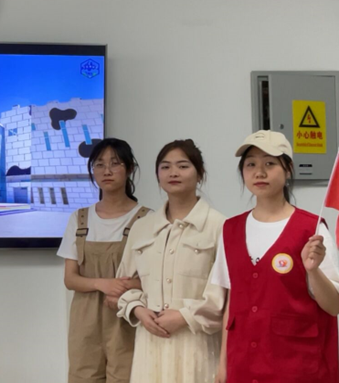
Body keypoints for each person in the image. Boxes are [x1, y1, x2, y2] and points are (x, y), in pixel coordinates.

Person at [211, 130, 339, 383]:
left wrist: (313, 270)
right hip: (243, 368)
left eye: (270, 164)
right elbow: (232, 304)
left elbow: (334, 305)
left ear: (288, 169)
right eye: (251, 164)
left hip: (296, 368)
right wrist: (223, 365)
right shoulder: (230, 230)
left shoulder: (311, 229)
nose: (259, 172)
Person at [117, 139, 225, 382]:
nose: (173, 173)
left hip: (197, 343)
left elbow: (225, 294)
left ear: (200, 174)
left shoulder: (220, 226)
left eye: (183, 166)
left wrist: (185, 316)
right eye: (165, 167)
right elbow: (123, 284)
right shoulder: (142, 228)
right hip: (149, 342)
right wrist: (137, 309)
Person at [58, 138, 151, 383]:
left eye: (115, 163)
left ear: (130, 169)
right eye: (99, 164)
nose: (107, 171)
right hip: (84, 321)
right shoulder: (79, 219)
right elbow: (70, 279)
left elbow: (155, 278)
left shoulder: (147, 219)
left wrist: (124, 287)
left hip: (128, 317)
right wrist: (103, 284)